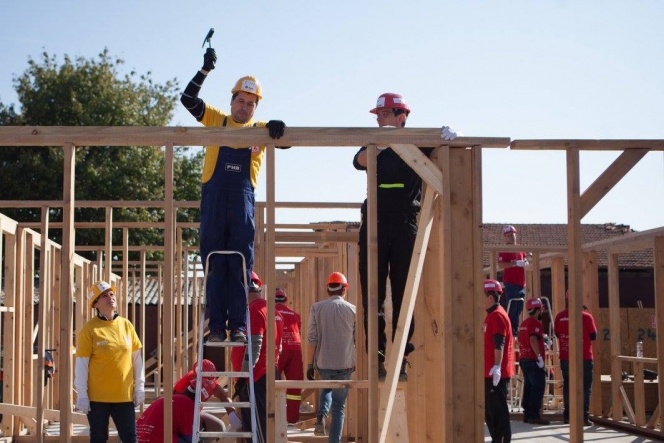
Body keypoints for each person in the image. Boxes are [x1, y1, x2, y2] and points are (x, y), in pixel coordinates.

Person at [180, 45, 288, 343]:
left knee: (241, 265)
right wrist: (204, 71)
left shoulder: (261, 130)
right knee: (214, 264)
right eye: (240, 100)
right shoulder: (216, 121)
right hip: (214, 201)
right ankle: (216, 328)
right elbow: (187, 100)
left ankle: (239, 326)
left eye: (251, 103)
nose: (244, 107)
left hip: (242, 204)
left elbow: (286, 142)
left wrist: (281, 130)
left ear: (256, 108)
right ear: (231, 101)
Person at [353, 92, 461, 380]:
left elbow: (441, 144)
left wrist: (445, 136)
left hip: (404, 225)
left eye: (385, 114)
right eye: (378, 116)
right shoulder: (373, 144)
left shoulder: (418, 142)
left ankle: (400, 359)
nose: (380, 120)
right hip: (375, 224)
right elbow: (360, 161)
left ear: (402, 117)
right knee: (372, 296)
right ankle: (376, 360)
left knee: (404, 294)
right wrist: (380, 144)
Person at [75, 281, 145, 442]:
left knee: (130, 438)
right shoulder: (90, 329)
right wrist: (82, 395)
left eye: (111, 294)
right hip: (98, 399)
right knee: (99, 438)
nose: (110, 298)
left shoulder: (126, 325)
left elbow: (136, 359)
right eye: (104, 296)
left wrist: (139, 386)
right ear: (96, 304)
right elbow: (82, 364)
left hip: (124, 396)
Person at [230, 273, 283, 443]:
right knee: (259, 424)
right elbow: (279, 346)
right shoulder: (273, 310)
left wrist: (243, 376)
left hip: (256, 376)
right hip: (264, 372)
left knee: (256, 427)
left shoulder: (255, 310)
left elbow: (254, 347)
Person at [307, 272, 356, 442]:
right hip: (345, 363)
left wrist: (309, 365)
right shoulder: (352, 310)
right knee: (339, 407)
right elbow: (356, 338)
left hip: (323, 362)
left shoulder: (317, 308)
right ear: (344, 289)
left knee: (326, 388)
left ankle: (321, 414)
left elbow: (312, 338)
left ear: (328, 289)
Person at [554, 291, 598, 426]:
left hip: (566, 358)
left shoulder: (560, 317)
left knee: (568, 386)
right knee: (585, 387)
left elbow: (557, 334)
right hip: (584, 358)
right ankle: (583, 418)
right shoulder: (586, 317)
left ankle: (568, 416)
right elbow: (594, 336)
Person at [483, 279, 514, 443]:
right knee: (490, 411)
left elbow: (499, 343)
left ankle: (501, 440)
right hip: (490, 371)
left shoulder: (497, 316)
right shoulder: (492, 316)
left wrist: (497, 366)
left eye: (483, 295)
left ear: (490, 298)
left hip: (495, 372)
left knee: (497, 411)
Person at [136, 386, 227, 443]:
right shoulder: (189, 405)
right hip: (159, 439)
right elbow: (190, 439)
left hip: (139, 438)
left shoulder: (171, 399)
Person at [173, 359, 243, 431]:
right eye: (205, 382)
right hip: (179, 416)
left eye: (209, 382)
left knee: (219, 427)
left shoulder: (211, 382)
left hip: (194, 414)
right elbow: (175, 406)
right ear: (195, 377)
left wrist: (231, 412)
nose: (207, 385)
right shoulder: (182, 385)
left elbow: (222, 395)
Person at [517, 297, 549, 425]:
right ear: (537, 310)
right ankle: (534, 415)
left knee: (529, 387)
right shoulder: (535, 324)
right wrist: (540, 357)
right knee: (538, 386)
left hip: (524, 359)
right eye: (541, 309)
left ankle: (527, 414)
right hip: (532, 359)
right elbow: (533, 340)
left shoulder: (524, 323)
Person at [275, 288, 304, 424]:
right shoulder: (295, 315)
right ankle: (292, 418)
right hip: (295, 350)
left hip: (278, 350)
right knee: (294, 386)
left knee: (271, 384)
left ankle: (272, 417)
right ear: (285, 300)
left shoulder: (270, 312)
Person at [497, 225, 529, 334]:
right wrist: (514, 263)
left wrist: (527, 260)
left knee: (519, 307)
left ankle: (515, 329)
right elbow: (501, 264)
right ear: (505, 238)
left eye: (513, 234)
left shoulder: (520, 249)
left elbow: (526, 258)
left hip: (521, 283)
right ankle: (509, 328)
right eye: (509, 235)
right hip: (511, 282)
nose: (511, 237)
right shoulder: (505, 250)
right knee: (512, 307)